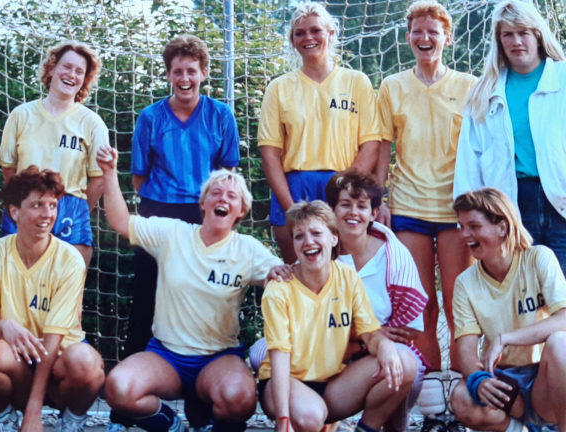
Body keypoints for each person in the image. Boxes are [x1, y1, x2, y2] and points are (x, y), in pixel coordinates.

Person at [98, 146, 284, 432]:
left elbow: (280, 275)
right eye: (216, 193)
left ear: (241, 211)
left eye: (231, 196)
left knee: (241, 399)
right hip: (167, 356)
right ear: (203, 202)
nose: (223, 198)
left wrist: (287, 268)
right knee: (119, 388)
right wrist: (110, 173)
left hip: (218, 358)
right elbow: (120, 222)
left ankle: (213, 420)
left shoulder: (248, 249)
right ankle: (171, 425)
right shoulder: (173, 234)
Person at [378, 0, 476, 383]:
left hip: (455, 210)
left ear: (447, 38)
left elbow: (480, 147)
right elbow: (383, 147)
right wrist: (380, 200)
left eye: (432, 32)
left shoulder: (468, 86)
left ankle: (465, 384)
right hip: (408, 207)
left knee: (456, 300)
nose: (424, 38)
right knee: (421, 304)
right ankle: (433, 393)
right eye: (417, 32)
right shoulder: (392, 87)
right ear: (407, 38)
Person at [0, 166, 105, 432]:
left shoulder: (70, 259)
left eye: (52, 205)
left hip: (59, 366)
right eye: (38, 205)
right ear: (14, 212)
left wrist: (34, 413)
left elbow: (52, 341)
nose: (47, 214)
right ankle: (5, 420)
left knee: (88, 364)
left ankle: (71, 420)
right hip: (17, 366)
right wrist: (4, 326)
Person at [258, 200, 417, 432]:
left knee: (405, 362)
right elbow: (280, 355)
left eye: (316, 233)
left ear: (333, 238)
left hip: (332, 385)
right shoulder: (279, 288)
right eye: (299, 236)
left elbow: (369, 333)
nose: (308, 242)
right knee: (310, 416)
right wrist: (283, 419)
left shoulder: (347, 276)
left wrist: (384, 346)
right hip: (285, 384)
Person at [126, 33, 241, 356]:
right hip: (158, 213)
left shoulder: (221, 116)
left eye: (192, 71)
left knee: (206, 292)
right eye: (178, 71)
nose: (185, 78)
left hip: (204, 215)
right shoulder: (150, 117)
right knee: (148, 291)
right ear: (168, 75)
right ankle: (134, 374)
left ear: (204, 72)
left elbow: (227, 173)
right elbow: (139, 175)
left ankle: (207, 370)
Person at [258, 2, 381, 264]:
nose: (308, 38)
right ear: (292, 40)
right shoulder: (278, 88)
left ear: (331, 34)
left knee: (344, 277)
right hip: (293, 189)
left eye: (315, 30)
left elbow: (371, 145)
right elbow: (269, 153)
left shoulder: (356, 82)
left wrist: (343, 193)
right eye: (300, 33)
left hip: (342, 188)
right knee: (299, 278)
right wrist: (290, 207)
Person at [454, 0, 566, 275]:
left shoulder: (562, 79)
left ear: (537, 35)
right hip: (512, 207)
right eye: (508, 34)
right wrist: (470, 217)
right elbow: (470, 158)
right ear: (498, 40)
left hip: (560, 200)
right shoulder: (485, 91)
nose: (516, 41)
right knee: (525, 297)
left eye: (523, 32)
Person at [449, 188, 566, 431]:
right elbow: (467, 349)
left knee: (560, 344)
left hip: (546, 377)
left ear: (502, 227)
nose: (464, 235)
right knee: (461, 396)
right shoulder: (465, 282)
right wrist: (478, 380)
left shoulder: (538, 258)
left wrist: (505, 339)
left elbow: (564, 319)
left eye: (473, 226)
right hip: (507, 381)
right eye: (461, 226)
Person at [326, 170, 428, 431]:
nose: (353, 213)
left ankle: (374, 427)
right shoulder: (319, 249)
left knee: (407, 363)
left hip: (373, 354)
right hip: (329, 351)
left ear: (373, 213)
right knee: (260, 352)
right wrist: (367, 335)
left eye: (362, 206)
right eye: (345, 205)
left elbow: (410, 329)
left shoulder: (394, 255)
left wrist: (371, 341)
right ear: (331, 210)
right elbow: (307, 322)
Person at [0, 41, 107, 266]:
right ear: (51, 68)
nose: (72, 75)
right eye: (67, 67)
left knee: (66, 291)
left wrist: (73, 210)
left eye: (80, 71)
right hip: (24, 205)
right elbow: (8, 169)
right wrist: (25, 202)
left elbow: (98, 179)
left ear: (85, 79)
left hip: (70, 208)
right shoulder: (21, 115)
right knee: (14, 286)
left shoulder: (92, 123)